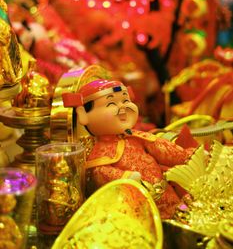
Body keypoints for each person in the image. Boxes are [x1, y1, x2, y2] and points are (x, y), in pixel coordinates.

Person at [63, 79, 195, 219]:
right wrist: (127, 178)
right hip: (138, 207)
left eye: (126, 101)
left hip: (167, 194)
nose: (123, 107)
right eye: (111, 103)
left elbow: (162, 150)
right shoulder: (100, 155)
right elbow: (100, 173)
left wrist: (187, 156)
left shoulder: (137, 137)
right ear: (83, 115)